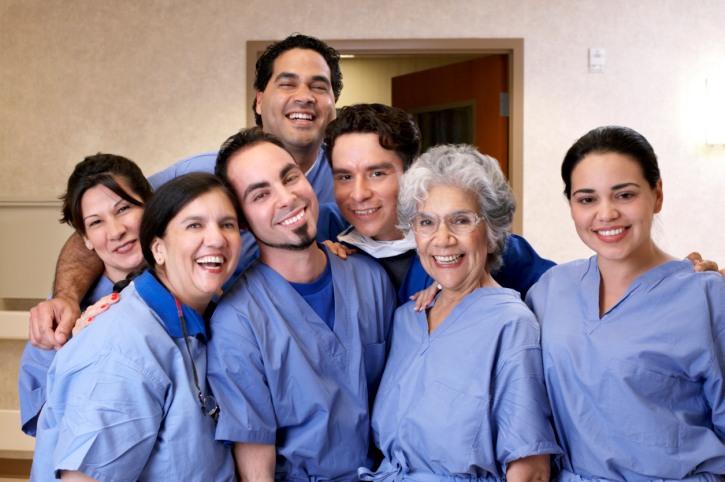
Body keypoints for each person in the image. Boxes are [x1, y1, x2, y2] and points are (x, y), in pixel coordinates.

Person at [29, 33, 342, 351]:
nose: (304, 96)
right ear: (260, 100)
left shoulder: (347, 179)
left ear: (332, 105)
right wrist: (67, 296)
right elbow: (108, 222)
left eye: (318, 86)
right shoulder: (200, 174)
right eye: (288, 84)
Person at [525, 126, 725, 481]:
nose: (606, 214)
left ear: (657, 194)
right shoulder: (550, 290)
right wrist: (443, 287)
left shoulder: (707, 297)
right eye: (587, 199)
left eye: (624, 195)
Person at [206, 127, 397, 482]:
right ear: (243, 221)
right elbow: (256, 466)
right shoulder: (237, 321)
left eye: (290, 178)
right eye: (261, 194)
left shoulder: (370, 278)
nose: (287, 198)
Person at [364, 144, 561, 482]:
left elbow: (531, 470)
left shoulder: (511, 325)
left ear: (493, 235)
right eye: (427, 222)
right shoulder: (407, 318)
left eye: (461, 220)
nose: (442, 239)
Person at [31, 172, 240, 481]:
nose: (216, 238)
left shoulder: (201, 314)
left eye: (227, 224)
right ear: (157, 248)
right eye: (194, 225)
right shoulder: (121, 349)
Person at [318, 103, 556, 303]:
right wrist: (319, 262)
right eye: (345, 177)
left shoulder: (478, 245)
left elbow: (565, 304)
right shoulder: (328, 242)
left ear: (414, 171)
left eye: (377, 173)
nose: (358, 194)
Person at [18, 153, 153, 437]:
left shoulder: (196, 292)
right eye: (96, 223)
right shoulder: (58, 320)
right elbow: (47, 425)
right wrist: (80, 354)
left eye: (123, 208)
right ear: (86, 240)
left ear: (151, 202)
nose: (116, 231)